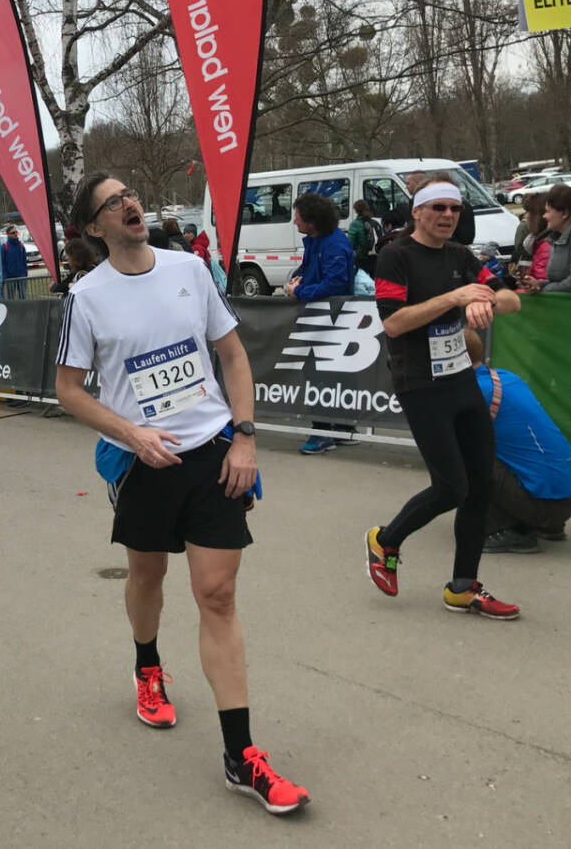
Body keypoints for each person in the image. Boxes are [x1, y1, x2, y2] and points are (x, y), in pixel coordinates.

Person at [54, 171, 310, 815]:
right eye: (113, 202)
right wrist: (131, 433)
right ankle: (147, 664)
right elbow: (69, 390)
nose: (130, 203)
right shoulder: (86, 298)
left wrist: (246, 438)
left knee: (217, 594)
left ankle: (241, 755)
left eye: (130, 194)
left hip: (214, 451)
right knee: (147, 576)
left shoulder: (188, 271)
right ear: (93, 227)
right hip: (143, 462)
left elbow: (233, 355)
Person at [365, 173, 523, 619]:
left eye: (455, 209)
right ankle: (385, 539)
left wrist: (487, 301)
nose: (448, 216)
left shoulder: (461, 255)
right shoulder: (395, 257)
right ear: (417, 211)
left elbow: (512, 299)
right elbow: (394, 323)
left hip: (460, 379)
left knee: (480, 485)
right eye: (438, 208)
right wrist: (455, 296)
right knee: (451, 486)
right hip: (420, 384)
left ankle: (463, 587)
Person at [459, 329, 571, 554]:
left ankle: (506, 530)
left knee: (467, 457)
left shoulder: (474, 392)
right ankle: (547, 523)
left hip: (550, 503)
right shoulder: (506, 377)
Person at [285, 193, 357, 455]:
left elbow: (335, 283)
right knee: (331, 374)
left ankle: (324, 431)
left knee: (320, 376)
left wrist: (300, 292)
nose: (294, 223)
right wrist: (298, 281)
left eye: (297, 218)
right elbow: (311, 273)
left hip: (330, 320)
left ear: (312, 222)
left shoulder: (334, 245)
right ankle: (340, 428)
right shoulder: (317, 241)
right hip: (322, 318)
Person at [346, 199, 381, 277]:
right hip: (376, 257)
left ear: (356, 210)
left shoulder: (355, 224)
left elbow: (350, 244)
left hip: (362, 258)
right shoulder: (375, 222)